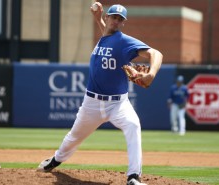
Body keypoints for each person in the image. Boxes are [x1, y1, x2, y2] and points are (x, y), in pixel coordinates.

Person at [37, 2, 163, 185]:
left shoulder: (124, 41)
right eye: (114, 17)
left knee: (133, 126)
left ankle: (133, 176)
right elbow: (107, 33)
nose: (116, 21)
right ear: (107, 18)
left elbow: (156, 53)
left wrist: (151, 74)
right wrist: (97, 18)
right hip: (92, 103)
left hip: (118, 104)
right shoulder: (105, 36)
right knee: (74, 137)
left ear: (123, 23)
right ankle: (55, 160)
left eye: (120, 19)